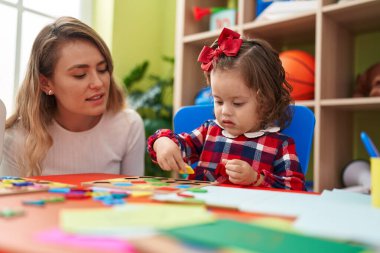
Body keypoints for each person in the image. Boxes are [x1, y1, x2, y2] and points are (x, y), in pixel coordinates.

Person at [147, 28, 305, 190]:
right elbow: (180, 146)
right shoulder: (209, 131)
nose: (225, 111)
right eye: (218, 101)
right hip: (203, 210)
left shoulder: (279, 145)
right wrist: (162, 142)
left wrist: (257, 179)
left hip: (250, 213)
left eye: (237, 103)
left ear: (265, 101)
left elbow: (296, 187)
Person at [0, 16, 145, 177]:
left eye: (102, 69)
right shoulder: (15, 139)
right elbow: (9, 202)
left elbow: (134, 198)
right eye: (80, 75)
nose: (98, 83)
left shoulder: (128, 126)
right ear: (46, 83)